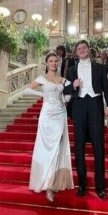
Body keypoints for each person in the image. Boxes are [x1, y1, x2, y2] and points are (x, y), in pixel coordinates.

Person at [64, 40, 108, 200]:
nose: (82, 50)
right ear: (76, 52)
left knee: (98, 146)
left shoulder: (100, 67)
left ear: (89, 50)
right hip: (78, 106)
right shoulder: (71, 70)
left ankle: (100, 187)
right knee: (79, 147)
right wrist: (73, 85)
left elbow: (106, 87)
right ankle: (82, 185)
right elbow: (65, 90)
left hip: (95, 104)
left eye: (84, 47)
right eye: (79, 48)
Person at [24, 52, 74, 202]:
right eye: (50, 61)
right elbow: (27, 90)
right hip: (47, 115)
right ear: (46, 63)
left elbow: (67, 98)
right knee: (46, 148)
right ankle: (46, 183)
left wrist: (69, 95)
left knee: (58, 148)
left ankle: (53, 183)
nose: (53, 63)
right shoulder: (42, 79)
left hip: (60, 114)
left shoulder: (63, 80)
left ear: (58, 63)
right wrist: (43, 96)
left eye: (55, 61)